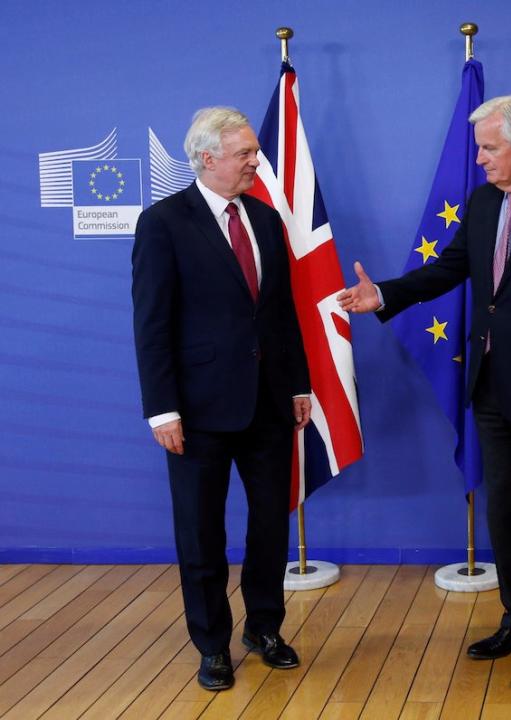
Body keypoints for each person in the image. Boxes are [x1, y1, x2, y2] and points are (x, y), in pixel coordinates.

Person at [338, 95, 511, 689]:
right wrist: (384, 295)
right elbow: (448, 269)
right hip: (489, 390)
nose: (481, 158)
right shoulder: (484, 201)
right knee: (507, 515)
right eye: (479, 147)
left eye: (489, 147)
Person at [132, 107, 311, 691]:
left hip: (267, 402)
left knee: (269, 528)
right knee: (201, 530)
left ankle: (264, 628)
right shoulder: (164, 222)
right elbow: (152, 323)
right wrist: (163, 409)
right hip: (198, 410)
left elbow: (282, 311)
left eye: (255, 152)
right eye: (245, 154)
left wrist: (299, 384)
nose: (255, 162)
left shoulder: (263, 217)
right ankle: (212, 643)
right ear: (207, 158)